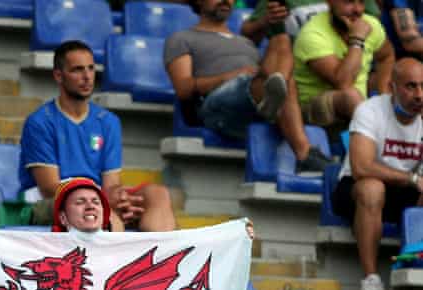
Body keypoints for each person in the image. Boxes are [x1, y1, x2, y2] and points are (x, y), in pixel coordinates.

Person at [19, 40, 177, 232]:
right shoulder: (40, 121)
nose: (87, 76)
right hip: (50, 202)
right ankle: (117, 257)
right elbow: (49, 188)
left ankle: (161, 257)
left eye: (91, 68)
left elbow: (112, 185)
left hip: (96, 198)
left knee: (157, 194)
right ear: (58, 76)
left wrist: (122, 199)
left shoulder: (108, 121)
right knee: (102, 210)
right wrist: (103, 198)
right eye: (77, 70)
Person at [165, 0, 332, 174]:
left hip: (250, 96)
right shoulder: (181, 38)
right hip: (216, 108)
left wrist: (270, 24)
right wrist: (232, 76)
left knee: (281, 43)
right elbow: (183, 89)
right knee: (279, 81)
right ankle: (304, 153)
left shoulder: (246, 43)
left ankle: (271, 100)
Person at [333, 58, 423, 290]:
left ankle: (415, 259)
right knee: (373, 188)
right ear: (393, 87)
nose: (419, 95)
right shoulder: (370, 110)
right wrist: (413, 178)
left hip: (403, 191)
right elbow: (361, 167)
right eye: (411, 86)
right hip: (354, 189)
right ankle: (371, 279)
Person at [293, 0, 395, 129]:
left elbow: (386, 56)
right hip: (313, 107)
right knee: (350, 96)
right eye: (349, 1)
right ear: (330, 2)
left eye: (361, 2)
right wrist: (357, 40)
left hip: (358, 107)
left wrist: (384, 96)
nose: (357, 9)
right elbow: (343, 84)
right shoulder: (313, 35)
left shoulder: (370, 25)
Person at [240, 0, 380, 44]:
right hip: (298, 66)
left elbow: (374, 25)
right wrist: (265, 21)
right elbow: (247, 36)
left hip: (348, 54)